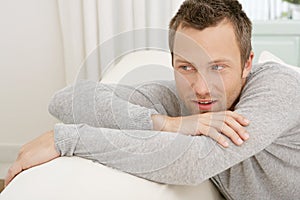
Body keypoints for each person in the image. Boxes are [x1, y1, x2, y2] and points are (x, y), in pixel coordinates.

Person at [5, 0, 300, 199]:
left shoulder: (278, 88)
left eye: (218, 67)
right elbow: (66, 100)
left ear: (247, 63)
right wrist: (170, 124)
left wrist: (67, 140)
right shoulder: (183, 104)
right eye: (186, 67)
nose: (201, 88)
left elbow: (196, 160)